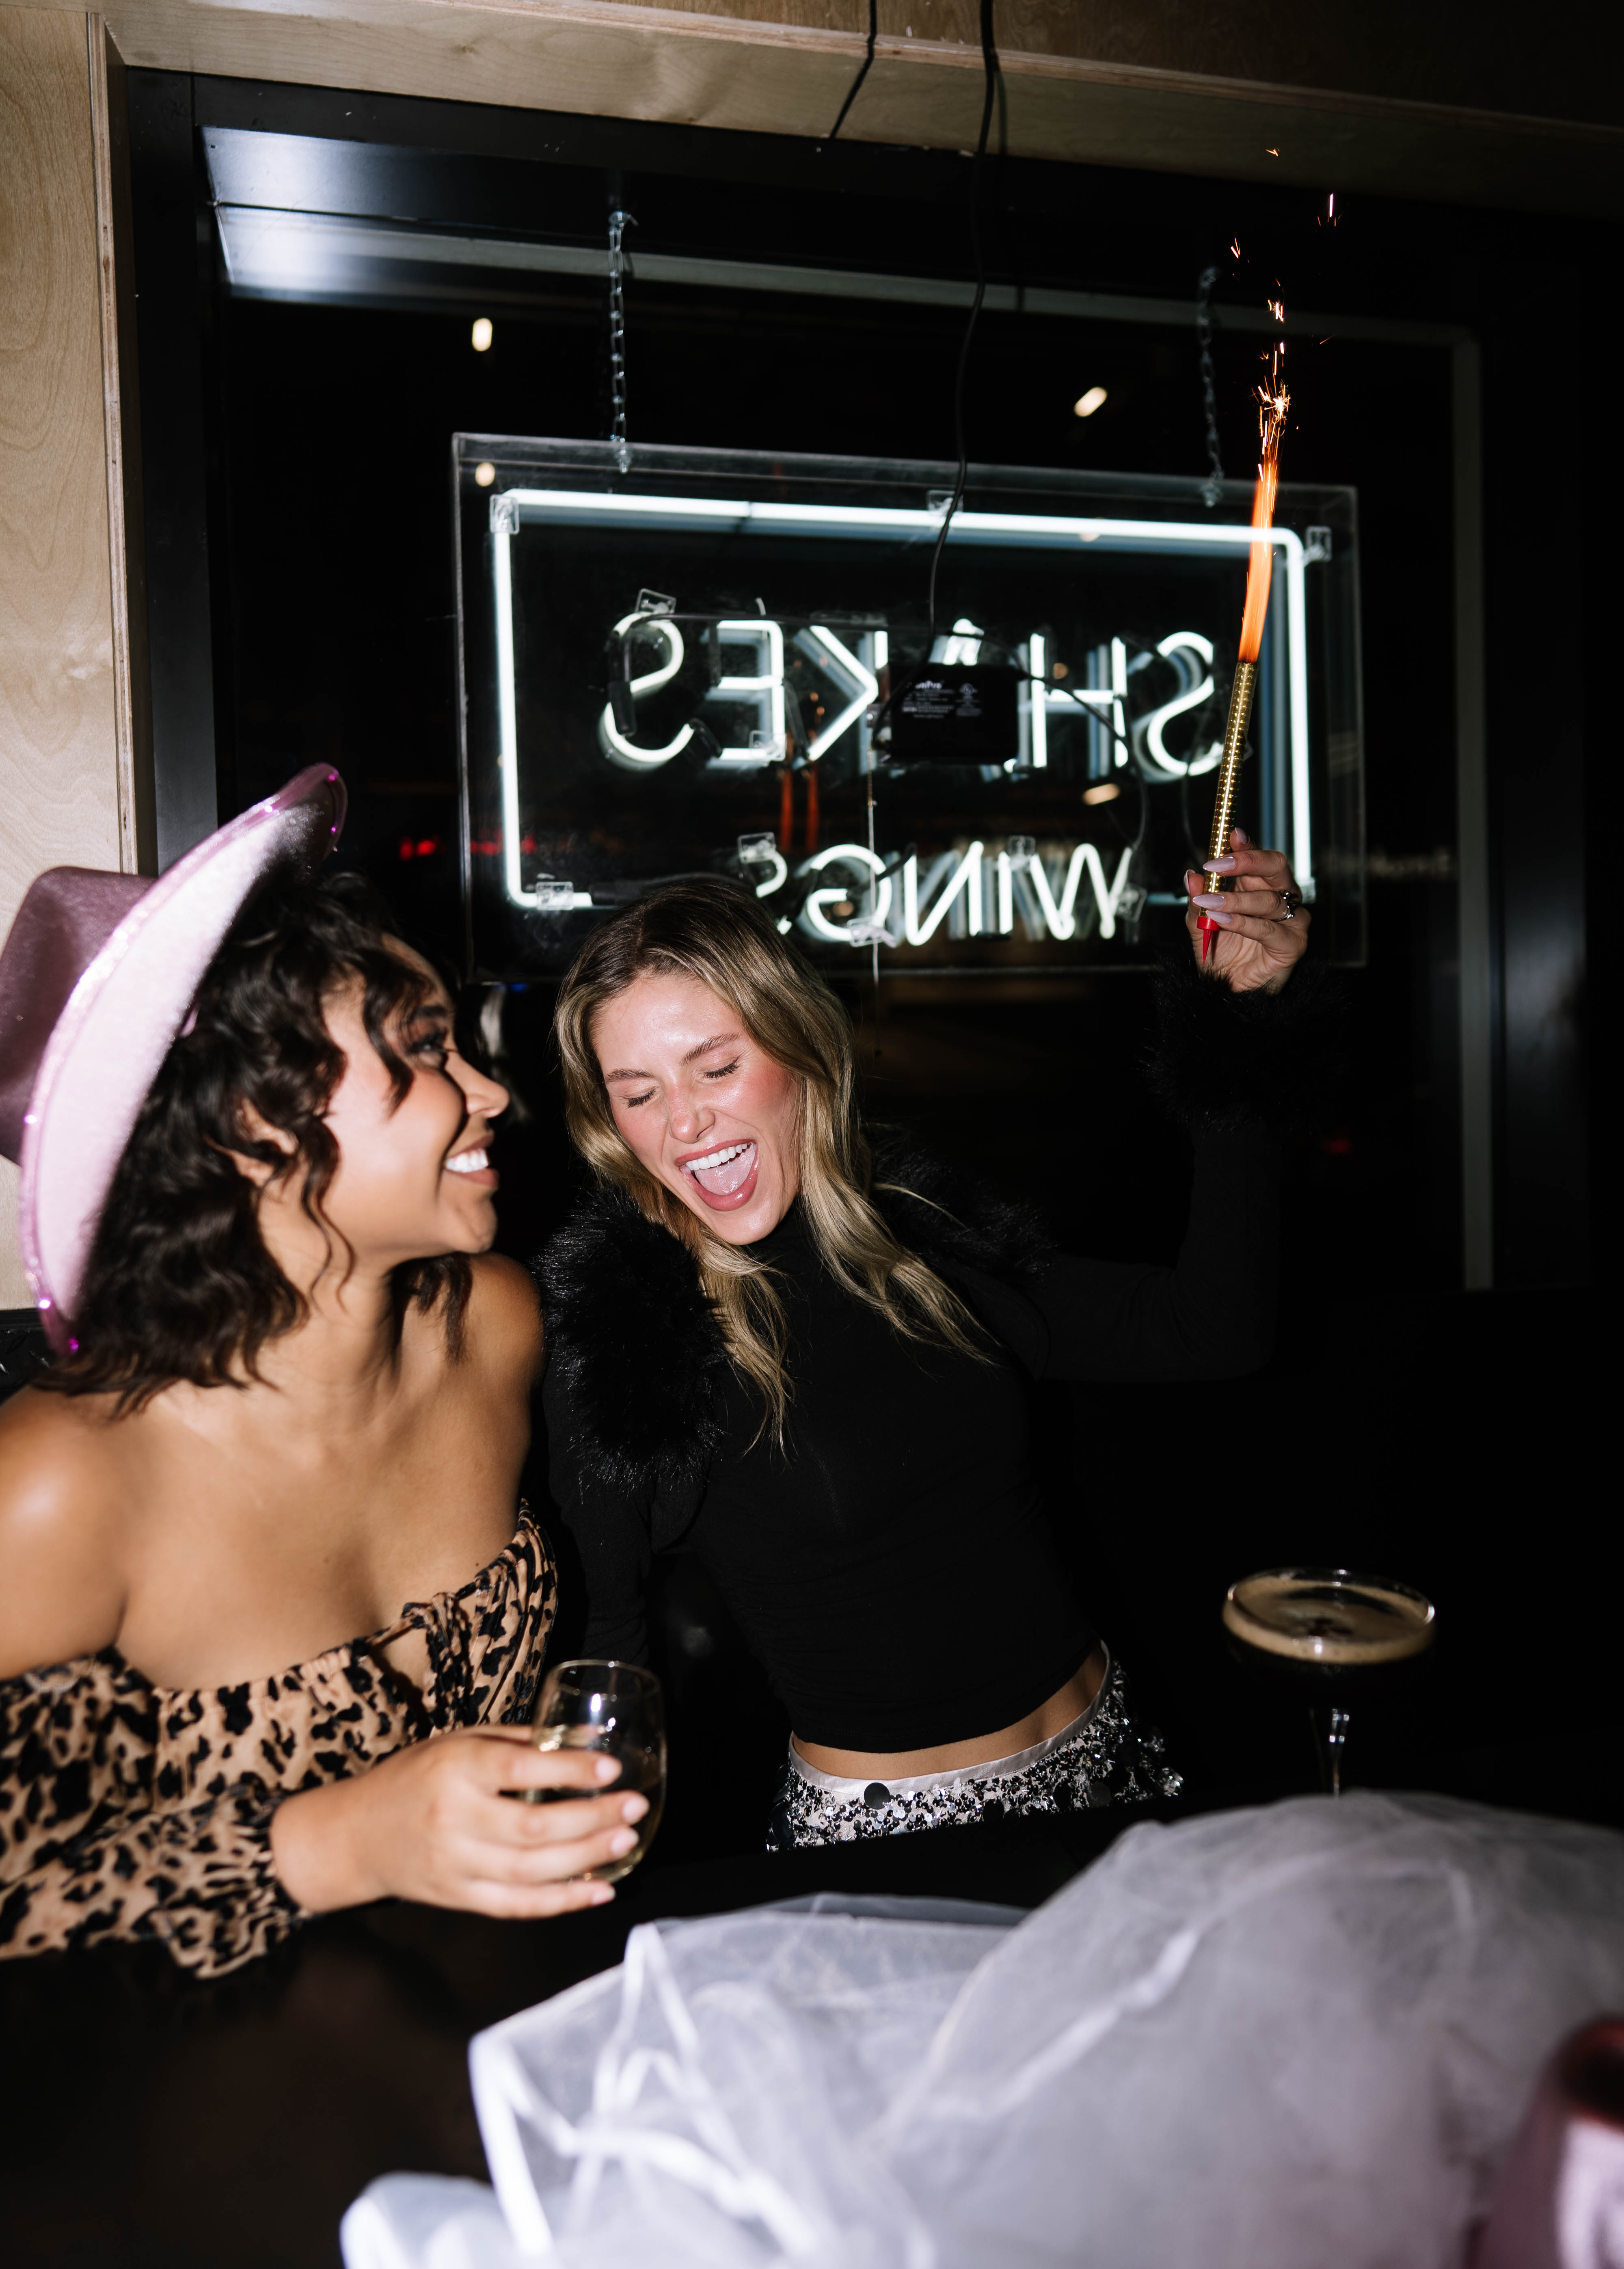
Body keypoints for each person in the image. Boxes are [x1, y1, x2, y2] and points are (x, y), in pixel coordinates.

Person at [540, 833, 1330, 1849]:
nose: (685, 1123)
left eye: (717, 1066)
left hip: (1122, 1769)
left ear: (799, 1050)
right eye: (639, 1092)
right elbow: (601, 1648)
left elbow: (1214, 1331)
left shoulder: (921, 1231)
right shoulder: (636, 1344)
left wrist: (1240, 1023)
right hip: (888, 1844)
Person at [0, 770, 643, 1977]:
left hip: (487, 2025)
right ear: (249, 1124)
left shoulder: (491, 1330)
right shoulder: (58, 1488)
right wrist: (339, 1844)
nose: (492, 1094)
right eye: (425, 1050)